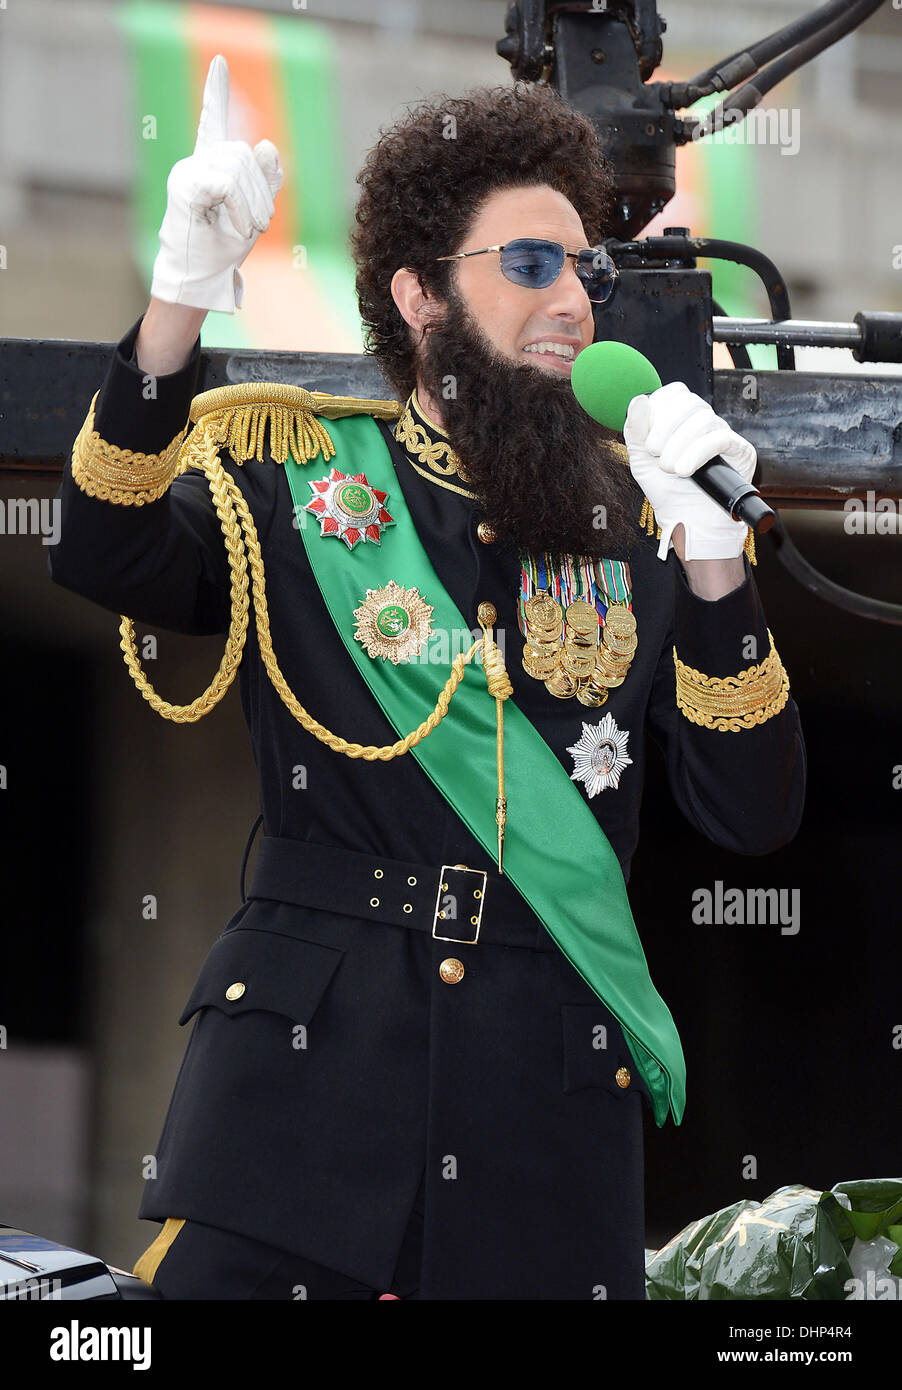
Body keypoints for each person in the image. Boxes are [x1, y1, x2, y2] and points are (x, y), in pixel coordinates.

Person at [47, 56, 806, 1300]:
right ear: (417, 296)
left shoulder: (641, 520)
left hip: (542, 1121)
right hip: (299, 1096)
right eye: (528, 265)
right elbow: (103, 544)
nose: (572, 298)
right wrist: (179, 300)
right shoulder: (297, 481)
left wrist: (717, 563)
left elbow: (752, 811)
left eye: (586, 269)